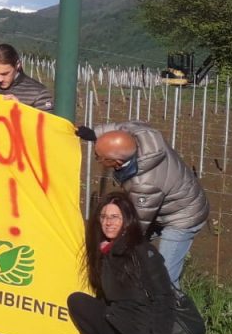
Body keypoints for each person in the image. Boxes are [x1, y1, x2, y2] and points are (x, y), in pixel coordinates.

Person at [68, 192, 175, 334]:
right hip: (118, 320)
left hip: (138, 330)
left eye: (115, 217)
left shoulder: (143, 253)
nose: (108, 222)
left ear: (127, 220)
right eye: (104, 217)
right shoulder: (104, 250)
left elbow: (165, 298)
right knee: (77, 301)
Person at [84, 121, 210, 288]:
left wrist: (112, 247)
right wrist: (94, 133)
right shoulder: (143, 134)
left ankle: (176, 309)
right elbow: (123, 127)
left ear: (118, 162)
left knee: (164, 275)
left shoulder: (144, 185)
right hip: (168, 202)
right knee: (137, 253)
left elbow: (136, 225)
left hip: (183, 216)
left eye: (101, 158)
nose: (97, 160)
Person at [0, 43, 53, 111]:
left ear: (18, 65)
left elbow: (48, 125)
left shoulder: (39, 94)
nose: (0, 79)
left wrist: (21, 111)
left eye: (5, 74)